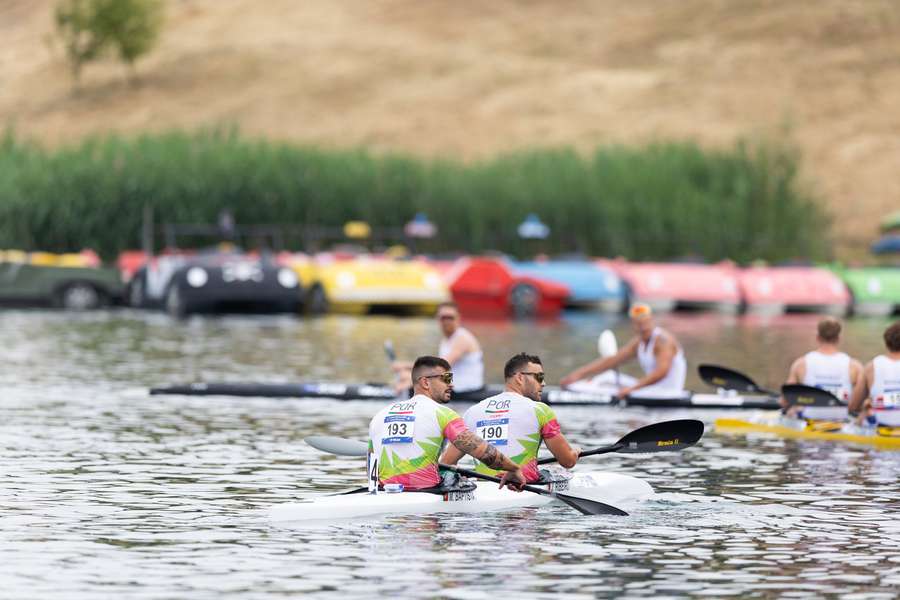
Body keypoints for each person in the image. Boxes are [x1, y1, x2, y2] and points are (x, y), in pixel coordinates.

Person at [368, 355, 525, 492]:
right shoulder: (443, 413)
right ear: (425, 382)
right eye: (447, 379)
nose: (452, 385)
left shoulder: (380, 416)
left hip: (384, 492)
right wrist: (513, 468)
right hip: (425, 501)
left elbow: (371, 468)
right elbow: (482, 451)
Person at [440, 353, 580, 482]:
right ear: (520, 377)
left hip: (484, 490)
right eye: (539, 377)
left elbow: (445, 463)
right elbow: (567, 461)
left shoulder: (472, 412)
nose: (543, 383)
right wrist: (575, 452)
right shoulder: (540, 410)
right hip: (523, 497)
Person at [559, 302, 686, 397]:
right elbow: (611, 361)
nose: (643, 327)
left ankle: (577, 391)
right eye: (639, 323)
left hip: (668, 393)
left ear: (651, 320)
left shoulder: (663, 341)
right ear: (634, 324)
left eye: (646, 322)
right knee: (608, 376)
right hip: (651, 390)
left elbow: (661, 373)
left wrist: (633, 389)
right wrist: (577, 374)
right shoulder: (638, 342)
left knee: (611, 384)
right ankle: (575, 385)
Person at [392, 302, 484, 398]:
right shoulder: (446, 339)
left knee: (413, 382)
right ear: (437, 319)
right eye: (443, 318)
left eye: (450, 317)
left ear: (458, 318)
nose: (447, 321)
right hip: (454, 388)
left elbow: (440, 367)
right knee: (411, 378)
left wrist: (407, 369)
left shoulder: (462, 338)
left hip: (467, 391)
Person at [783, 317, 862, 418]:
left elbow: (785, 400)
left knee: (791, 410)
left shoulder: (801, 364)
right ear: (838, 338)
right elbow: (858, 403)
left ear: (817, 337)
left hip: (809, 418)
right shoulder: (854, 366)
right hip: (841, 418)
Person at [849, 321, 900, 430]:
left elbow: (853, 406)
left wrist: (866, 407)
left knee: (863, 413)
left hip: (880, 429)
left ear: (886, 343)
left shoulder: (871, 367)